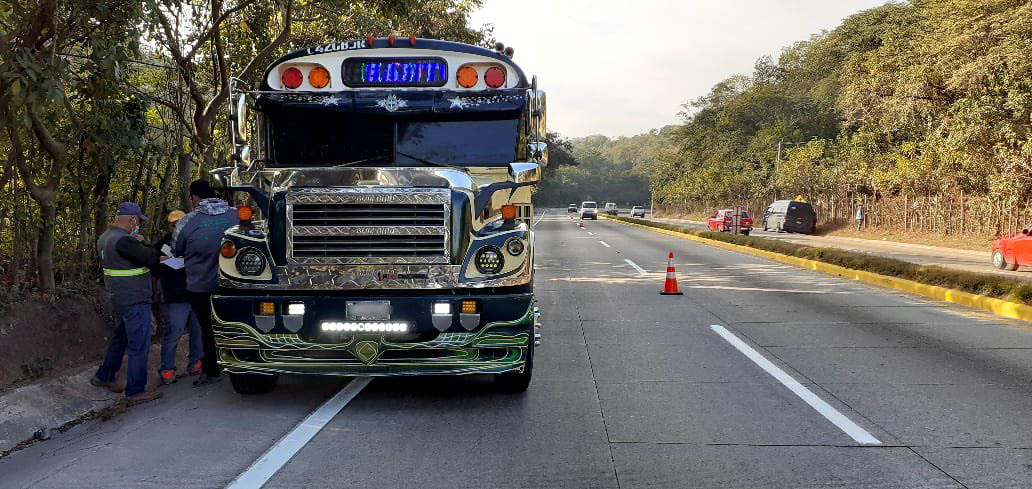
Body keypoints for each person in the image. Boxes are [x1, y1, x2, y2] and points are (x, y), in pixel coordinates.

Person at [91, 202, 164, 406]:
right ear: (132, 220)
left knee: (120, 337)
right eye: (138, 221)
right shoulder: (125, 241)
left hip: (117, 297)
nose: (138, 225)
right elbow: (152, 258)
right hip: (135, 298)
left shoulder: (105, 237)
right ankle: (135, 391)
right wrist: (143, 243)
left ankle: (104, 376)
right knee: (139, 344)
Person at [173, 180, 238, 386]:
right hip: (234, 286)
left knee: (205, 329)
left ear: (194, 197)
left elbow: (176, 249)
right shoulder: (236, 215)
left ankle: (211, 371)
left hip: (200, 286)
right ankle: (238, 364)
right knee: (235, 324)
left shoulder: (188, 221)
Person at [154, 210, 203, 385]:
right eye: (174, 224)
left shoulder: (196, 241)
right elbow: (155, 265)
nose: (177, 227)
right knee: (174, 333)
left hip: (196, 295)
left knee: (198, 332)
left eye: (180, 223)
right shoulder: (162, 245)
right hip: (175, 298)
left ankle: (196, 364)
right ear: (169, 225)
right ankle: (167, 370)